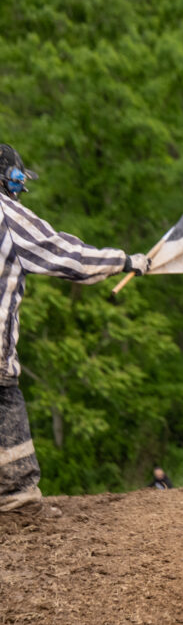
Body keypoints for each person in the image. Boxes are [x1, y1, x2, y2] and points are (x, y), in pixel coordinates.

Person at [0, 144, 151, 515]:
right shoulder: (7, 215)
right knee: (6, 399)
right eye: (17, 181)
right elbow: (67, 255)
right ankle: (17, 499)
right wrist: (124, 260)